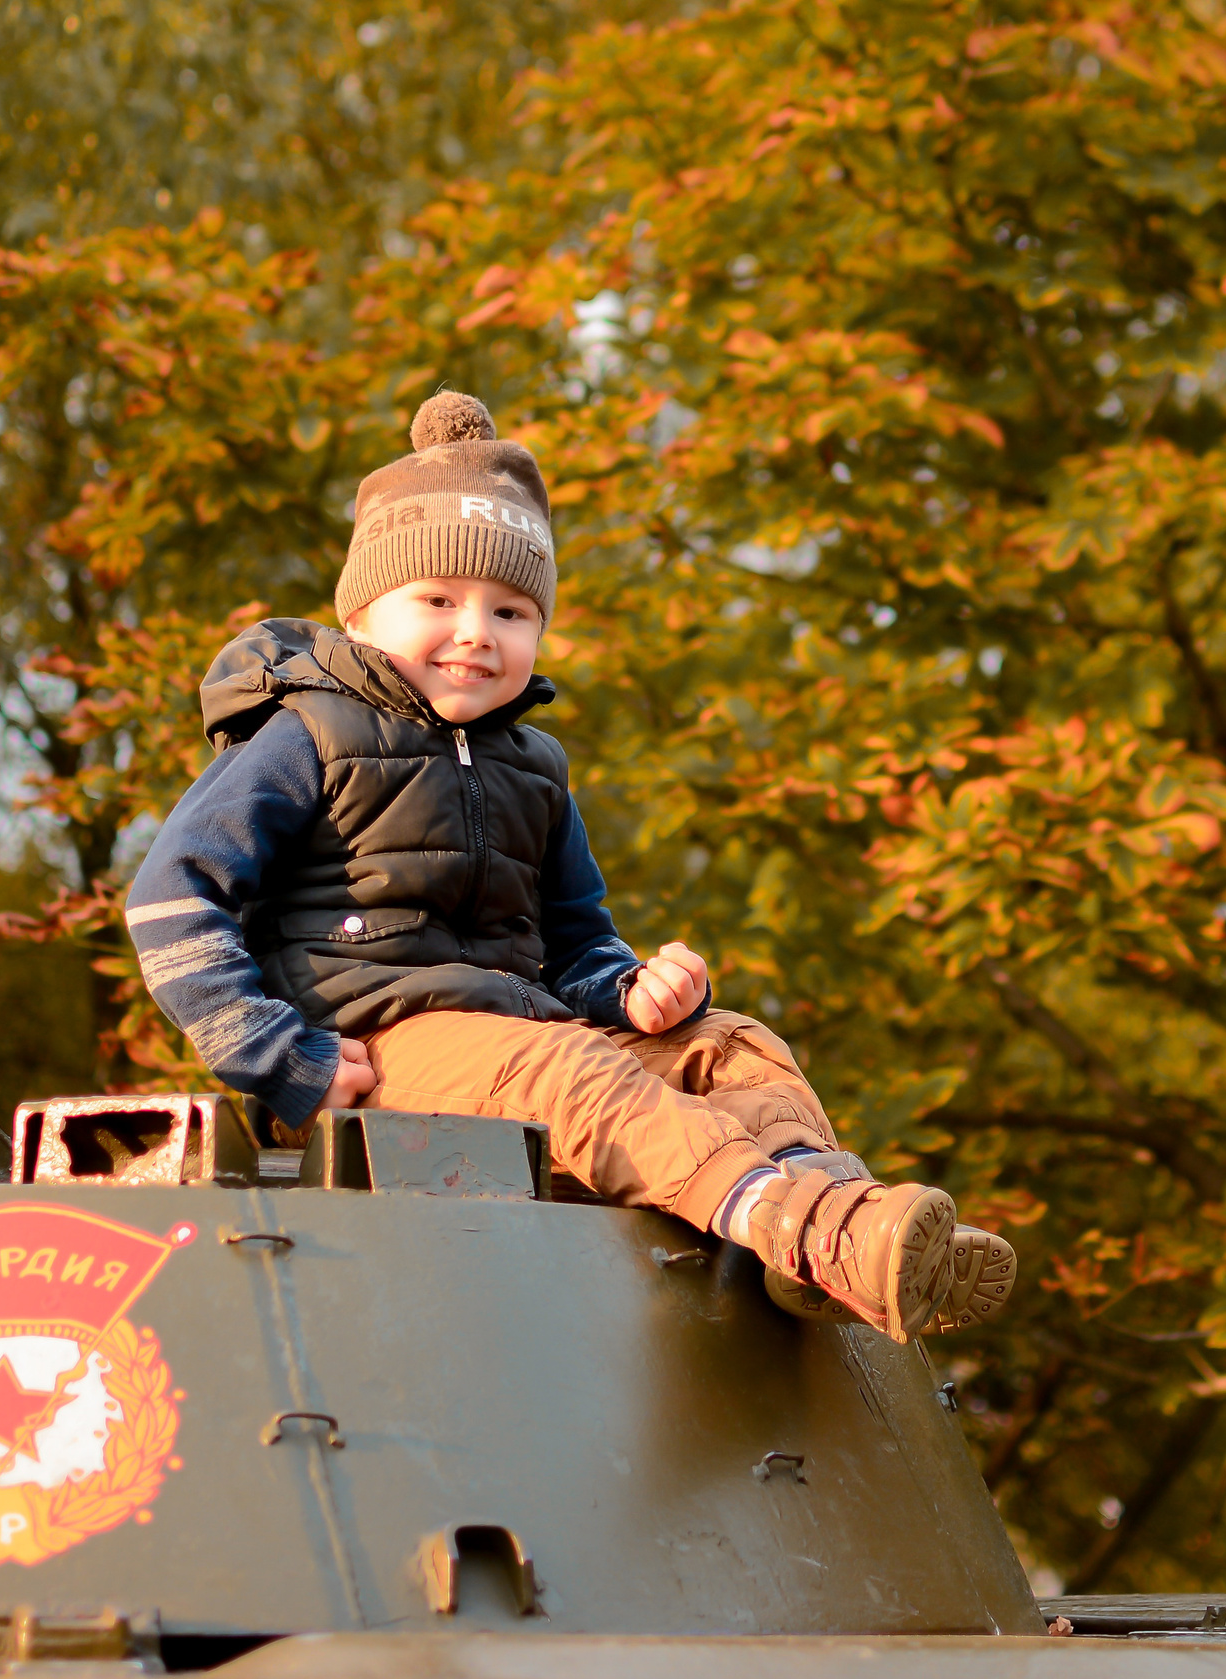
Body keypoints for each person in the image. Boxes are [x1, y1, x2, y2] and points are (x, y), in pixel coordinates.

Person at [124, 390, 1014, 1342]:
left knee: (726, 1041)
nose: (478, 631)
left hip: (521, 1040)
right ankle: (794, 1227)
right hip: (372, 1056)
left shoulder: (534, 769)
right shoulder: (309, 733)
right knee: (571, 1071)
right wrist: (280, 1057)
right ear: (361, 613)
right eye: (438, 600)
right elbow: (172, 901)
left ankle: (832, 1217)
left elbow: (578, 944)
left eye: (510, 610)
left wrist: (634, 992)